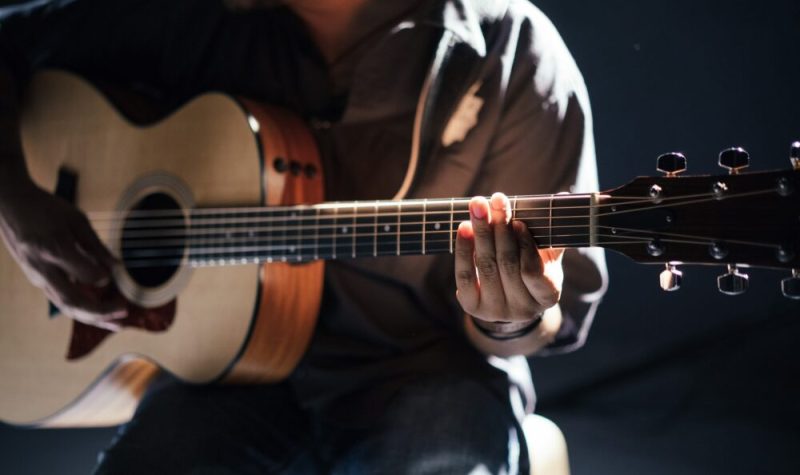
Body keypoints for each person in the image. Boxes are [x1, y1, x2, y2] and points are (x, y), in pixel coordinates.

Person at [0, 0, 607, 473]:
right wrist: (17, 201)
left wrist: (510, 314)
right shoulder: (193, 17)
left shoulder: (512, 49)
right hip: (225, 381)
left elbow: (543, 322)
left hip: (426, 374)